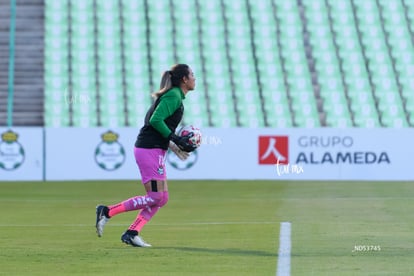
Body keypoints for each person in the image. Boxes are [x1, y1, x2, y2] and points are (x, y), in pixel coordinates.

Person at [95, 64, 197, 247]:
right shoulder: (173, 96)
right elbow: (154, 120)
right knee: (156, 197)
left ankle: (132, 232)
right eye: (192, 75)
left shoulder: (174, 96)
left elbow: (156, 123)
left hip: (153, 149)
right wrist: (173, 138)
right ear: (184, 79)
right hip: (149, 149)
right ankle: (107, 211)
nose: (194, 78)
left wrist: (174, 146)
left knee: (161, 198)